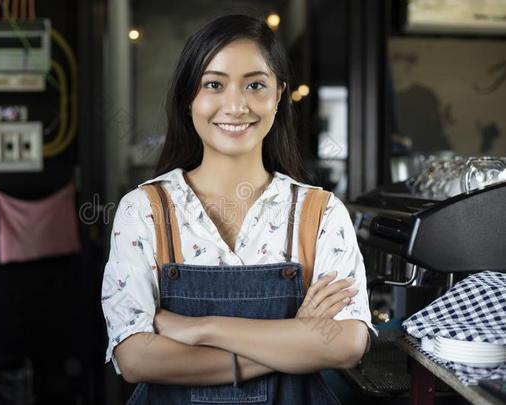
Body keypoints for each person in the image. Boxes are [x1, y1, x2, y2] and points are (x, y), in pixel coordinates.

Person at [101, 14, 378, 404]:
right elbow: (136, 358)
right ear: (188, 98)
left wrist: (203, 329)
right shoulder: (144, 210)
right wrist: (290, 340)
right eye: (214, 84)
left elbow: (347, 344)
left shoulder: (320, 212)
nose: (236, 105)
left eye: (255, 85)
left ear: (279, 95)